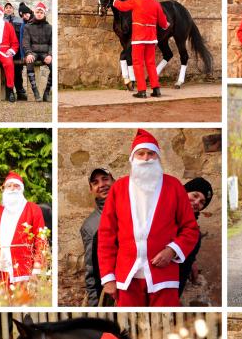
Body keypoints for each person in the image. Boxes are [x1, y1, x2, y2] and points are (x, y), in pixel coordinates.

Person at [97, 129, 199, 307]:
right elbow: (106, 235)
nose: (146, 158)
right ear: (133, 158)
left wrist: (172, 250)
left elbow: (190, 228)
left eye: (151, 153)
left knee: (165, 324)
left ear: (158, 157)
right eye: (141, 153)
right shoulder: (118, 189)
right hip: (127, 277)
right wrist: (108, 278)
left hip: (164, 276)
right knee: (129, 326)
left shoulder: (174, 186)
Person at [0, 171, 48, 303]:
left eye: (16, 186)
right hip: (0, 273)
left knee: (23, 305)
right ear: (4, 189)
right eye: (9, 186)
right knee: (0, 306)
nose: (12, 189)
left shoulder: (33, 209)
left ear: (21, 189)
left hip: (24, 272)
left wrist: (37, 269)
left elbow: (41, 240)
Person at [112, 0, 169, 98]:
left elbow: (122, 7)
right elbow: (163, 21)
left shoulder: (135, 0)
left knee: (138, 63)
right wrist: (165, 25)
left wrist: (116, 0)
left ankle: (142, 91)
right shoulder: (155, 3)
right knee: (151, 63)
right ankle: (156, 89)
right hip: (151, 38)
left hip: (139, 37)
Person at [80, 167, 115, 306]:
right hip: (113, 292)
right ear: (91, 189)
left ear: (113, 180)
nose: (101, 185)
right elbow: (92, 270)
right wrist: (95, 304)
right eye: (95, 183)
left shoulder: (132, 209)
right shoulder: (90, 226)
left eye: (105, 179)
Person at [179, 177, 214, 297]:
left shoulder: (192, 225)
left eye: (202, 202)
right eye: (194, 195)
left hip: (176, 283)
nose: (196, 203)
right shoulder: (165, 213)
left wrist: (192, 260)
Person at [22, 2, 53, 102]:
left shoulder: (49, 27)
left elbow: (52, 43)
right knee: (29, 61)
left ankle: (47, 92)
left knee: (54, 65)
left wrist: (50, 55)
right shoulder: (28, 26)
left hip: (45, 53)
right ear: (34, 13)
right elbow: (25, 42)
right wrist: (28, 53)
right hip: (33, 52)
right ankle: (35, 91)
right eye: (37, 12)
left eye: (41, 12)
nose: (39, 14)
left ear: (44, 14)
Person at [4, 1, 27, 100]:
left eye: (10, 7)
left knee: (18, 71)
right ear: (4, 10)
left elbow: (23, 35)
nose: (8, 9)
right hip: (5, 50)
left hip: (17, 50)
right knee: (6, 71)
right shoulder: (1, 21)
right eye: (6, 7)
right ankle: (8, 92)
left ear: (13, 9)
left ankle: (20, 91)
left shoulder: (20, 20)